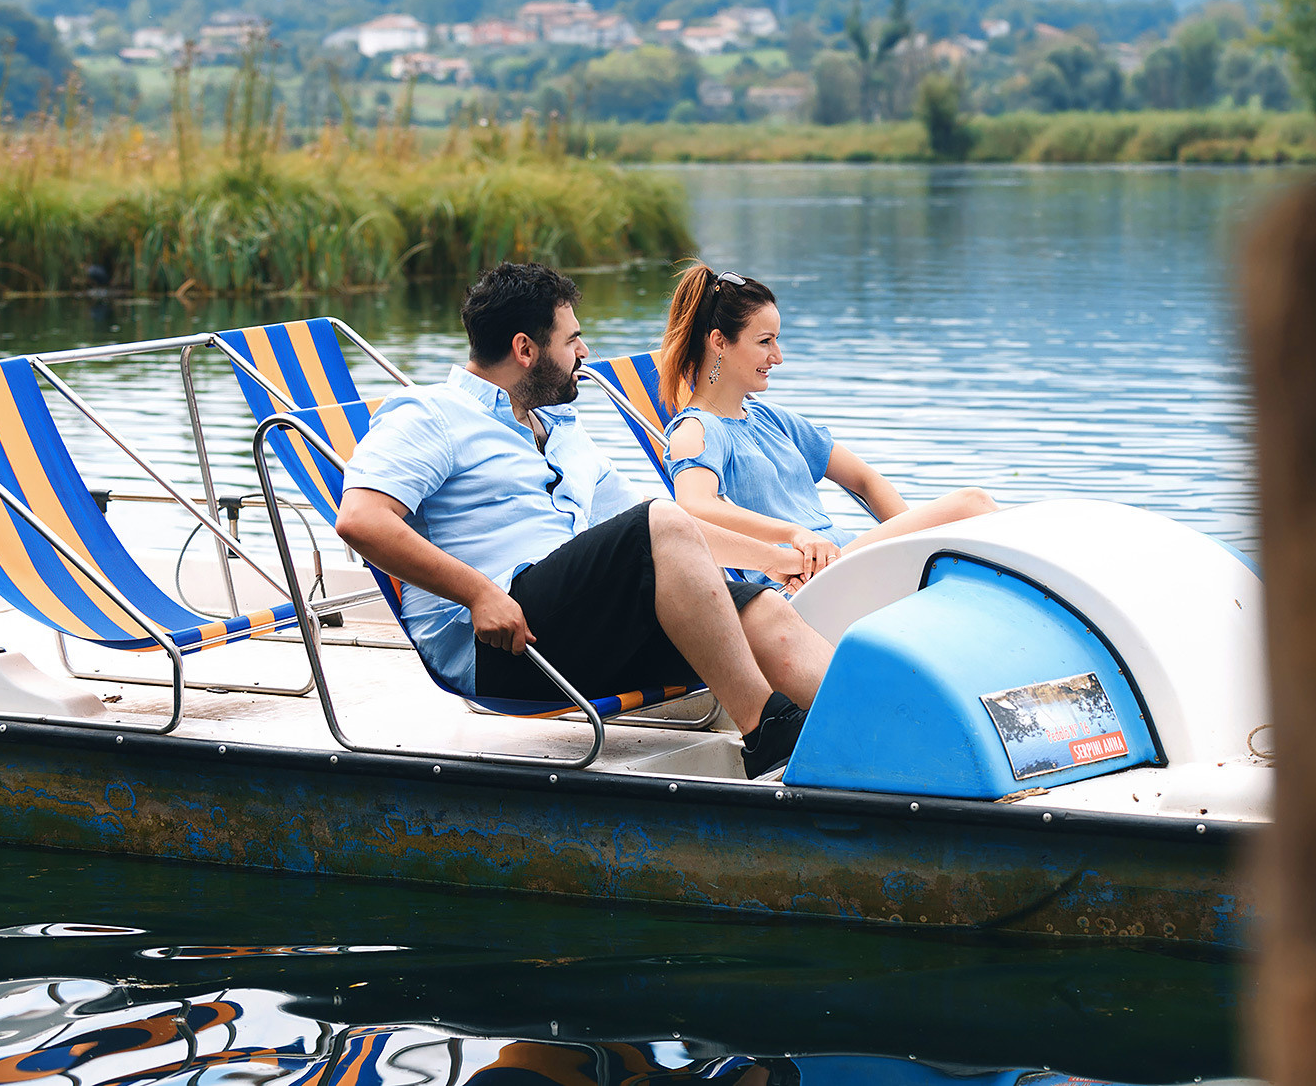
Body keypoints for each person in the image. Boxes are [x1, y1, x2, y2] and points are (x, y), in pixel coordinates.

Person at [335, 262, 831, 778]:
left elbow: (670, 535)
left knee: (763, 609)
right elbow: (362, 520)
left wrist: (774, 559)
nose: (584, 353)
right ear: (525, 349)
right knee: (656, 519)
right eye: (572, 339)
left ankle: (885, 734)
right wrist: (479, 594)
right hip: (506, 646)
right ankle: (766, 732)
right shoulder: (430, 415)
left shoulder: (557, 424)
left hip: (579, 628)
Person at [658, 264, 996, 588]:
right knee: (972, 504)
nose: (778, 357)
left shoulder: (770, 419)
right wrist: (792, 534)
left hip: (845, 561)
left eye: (776, 341)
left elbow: (865, 480)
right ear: (719, 342)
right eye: (765, 342)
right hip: (806, 582)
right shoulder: (696, 429)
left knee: (971, 525)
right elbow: (694, 507)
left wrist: (912, 544)